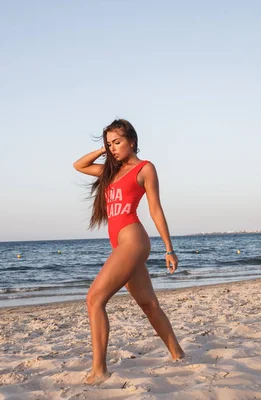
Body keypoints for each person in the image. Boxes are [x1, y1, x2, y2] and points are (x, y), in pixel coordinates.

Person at [73, 118, 185, 385]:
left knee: (94, 300)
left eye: (117, 142)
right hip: (121, 244)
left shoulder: (145, 169)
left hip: (133, 240)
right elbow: (79, 165)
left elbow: (156, 210)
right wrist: (103, 150)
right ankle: (178, 354)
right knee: (148, 304)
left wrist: (169, 249)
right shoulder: (110, 172)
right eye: (109, 143)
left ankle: (99, 369)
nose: (112, 148)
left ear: (132, 141)